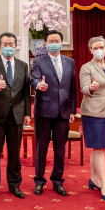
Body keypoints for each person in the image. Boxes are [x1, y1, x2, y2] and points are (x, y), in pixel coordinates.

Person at [0, 32, 31, 199]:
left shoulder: (23, 65)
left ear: (15, 46)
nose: (8, 47)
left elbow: (26, 92)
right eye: (5, 44)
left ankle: (14, 185)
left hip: (17, 115)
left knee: (14, 153)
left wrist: (27, 114)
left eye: (11, 44)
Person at [30, 30, 76, 197]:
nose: (54, 43)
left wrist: (72, 110)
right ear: (46, 44)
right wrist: (38, 85)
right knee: (41, 148)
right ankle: (39, 181)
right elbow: (34, 79)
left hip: (63, 112)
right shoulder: (38, 62)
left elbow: (72, 88)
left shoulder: (70, 62)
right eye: (51, 41)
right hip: (43, 111)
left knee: (60, 150)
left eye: (57, 40)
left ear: (62, 43)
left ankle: (57, 181)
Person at [79, 36, 105, 201]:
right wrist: (91, 87)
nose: (99, 50)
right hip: (93, 111)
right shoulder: (86, 67)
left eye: (101, 47)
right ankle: (104, 184)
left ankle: (94, 179)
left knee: (98, 148)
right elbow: (83, 88)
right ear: (90, 50)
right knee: (99, 149)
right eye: (95, 48)